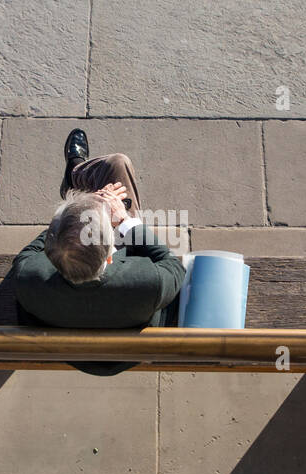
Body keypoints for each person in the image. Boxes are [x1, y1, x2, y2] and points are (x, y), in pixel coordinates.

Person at [11, 130, 186, 375]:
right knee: (119, 165)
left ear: (50, 255)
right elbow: (173, 265)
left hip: (66, 339)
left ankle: (75, 178)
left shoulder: (28, 277)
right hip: (129, 344)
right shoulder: (149, 282)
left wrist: (75, 214)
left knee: (117, 164)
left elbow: (34, 249)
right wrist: (123, 220)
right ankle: (76, 176)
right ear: (112, 254)